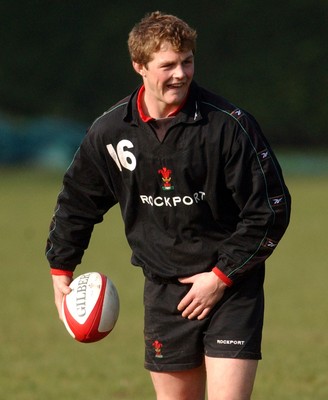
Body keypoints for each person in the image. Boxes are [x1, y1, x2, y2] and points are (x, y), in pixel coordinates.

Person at [46, 11, 291, 400]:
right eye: (168, 65)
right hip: (164, 291)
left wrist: (220, 276)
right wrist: (61, 266)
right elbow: (78, 200)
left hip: (230, 288)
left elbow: (270, 210)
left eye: (187, 61)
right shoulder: (111, 132)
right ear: (139, 66)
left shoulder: (227, 126)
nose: (181, 73)